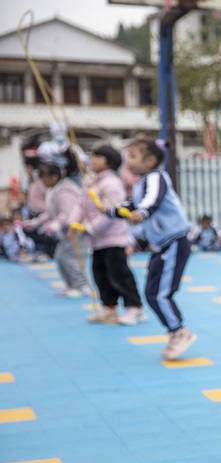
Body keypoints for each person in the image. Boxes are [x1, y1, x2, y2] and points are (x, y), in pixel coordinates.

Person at [100, 139, 195, 360]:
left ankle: (180, 332)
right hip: (162, 246)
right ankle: (175, 331)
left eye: (133, 156)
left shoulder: (156, 178)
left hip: (174, 242)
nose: (128, 161)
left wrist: (142, 213)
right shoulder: (142, 183)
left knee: (161, 294)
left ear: (150, 160)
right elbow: (131, 205)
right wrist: (110, 211)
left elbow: (151, 201)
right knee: (152, 293)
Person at [70, 144, 148, 325]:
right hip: (97, 241)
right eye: (93, 156)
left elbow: (111, 214)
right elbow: (80, 204)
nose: (93, 160)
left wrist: (90, 228)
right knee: (100, 274)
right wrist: (73, 223)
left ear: (110, 162)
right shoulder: (90, 181)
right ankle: (109, 307)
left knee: (119, 274)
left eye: (98, 157)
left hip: (113, 238)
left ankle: (135, 308)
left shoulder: (112, 184)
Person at [26, 161, 91, 298]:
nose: (43, 181)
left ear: (54, 177)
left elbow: (66, 213)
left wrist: (55, 225)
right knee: (61, 257)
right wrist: (35, 222)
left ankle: (82, 286)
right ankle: (72, 285)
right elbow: (50, 213)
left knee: (70, 259)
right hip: (66, 232)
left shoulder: (65, 192)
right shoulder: (53, 190)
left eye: (45, 177)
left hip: (74, 231)